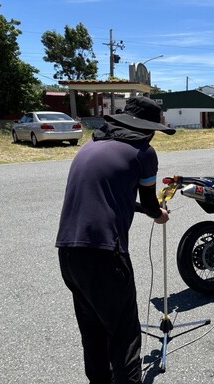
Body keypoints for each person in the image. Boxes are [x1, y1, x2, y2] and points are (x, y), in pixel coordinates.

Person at [55, 96, 175, 384]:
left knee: (93, 331)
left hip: (69, 252)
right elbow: (148, 204)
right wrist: (159, 214)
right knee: (125, 338)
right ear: (147, 128)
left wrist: (141, 208)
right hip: (105, 255)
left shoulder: (90, 147)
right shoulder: (143, 152)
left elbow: (106, 196)